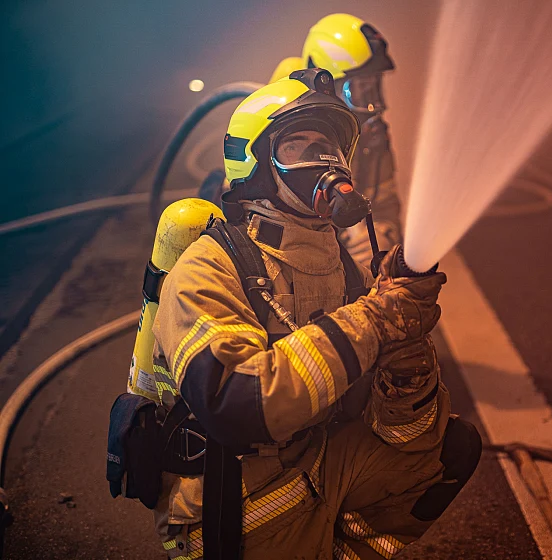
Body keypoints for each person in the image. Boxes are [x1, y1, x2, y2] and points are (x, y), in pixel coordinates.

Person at [150, 69, 481, 559]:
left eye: (328, 147)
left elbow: (408, 434)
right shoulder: (209, 266)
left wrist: (405, 344)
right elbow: (236, 404)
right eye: (297, 146)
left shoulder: (340, 268)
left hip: (315, 466)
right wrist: (373, 320)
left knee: (452, 447)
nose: (322, 163)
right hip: (237, 504)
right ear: (256, 165)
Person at [302, 14, 403, 268]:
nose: (372, 104)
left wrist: (382, 232)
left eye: (373, 88)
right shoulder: (293, 141)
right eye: (358, 90)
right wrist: (339, 243)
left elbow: (387, 202)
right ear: (325, 86)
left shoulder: (372, 134)